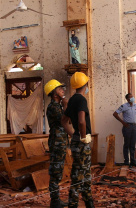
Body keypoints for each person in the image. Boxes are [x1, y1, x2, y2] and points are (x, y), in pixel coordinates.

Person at [62, 72, 94, 208]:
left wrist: (73, 135)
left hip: (76, 141)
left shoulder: (72, 100)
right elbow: (81, 121)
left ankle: (89, 202)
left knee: (85, 173)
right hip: (81, 143)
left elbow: (63, 121)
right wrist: (82, 136)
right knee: (78, 175)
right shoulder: (81, 100)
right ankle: (73, 204)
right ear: (85, 84)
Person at [44, 79, 69, 208]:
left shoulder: (57, 106)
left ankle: (56, 200)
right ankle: (54, 201)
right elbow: (64, 120)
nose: (63, 90)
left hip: (61, 141)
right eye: (60, 89)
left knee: (58, 171)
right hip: (57, 142)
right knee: (55, 172)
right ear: (54, 94)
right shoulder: (53, 107)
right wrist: (65, 106)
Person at [112, 93, 136, 168]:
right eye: (130, 97)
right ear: (127, 99)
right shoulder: (124, 106)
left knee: (133, 144)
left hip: (134, 127)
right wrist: (123, 122)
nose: (132, 98)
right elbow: (115, 114)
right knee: (127, 144)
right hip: (127, 127)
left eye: (132, 97)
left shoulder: (135, 106)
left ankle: (133, 161)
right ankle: (126, 162)